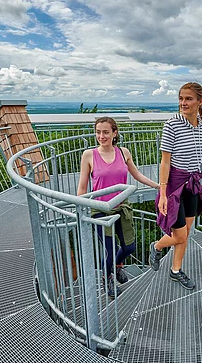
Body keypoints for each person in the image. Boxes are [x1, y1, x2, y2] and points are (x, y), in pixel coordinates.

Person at [77, 117, 159, 298]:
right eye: (98, 132)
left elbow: (136, 174)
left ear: (115, 133)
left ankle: (117, 265)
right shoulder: (89, 155)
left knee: (129, 247)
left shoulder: (123, 152)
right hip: (100, 208)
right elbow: (82, 187)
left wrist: (157, 186)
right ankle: (107, 279)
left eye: (105, 132)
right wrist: (81, 207)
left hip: (122, 206)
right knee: (110, 249)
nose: (101, 136)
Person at [149, 82, 202, 290]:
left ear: (200, 101)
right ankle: (156, 246)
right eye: (181, 98)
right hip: (174, 184)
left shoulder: (200, 123)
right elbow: (165, 161)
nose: (183, 103)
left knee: (187, 230)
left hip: (192, 183)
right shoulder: (172, 123)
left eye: (189, 98)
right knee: (179, 234)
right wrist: (163, 193)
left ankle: (175, 271)